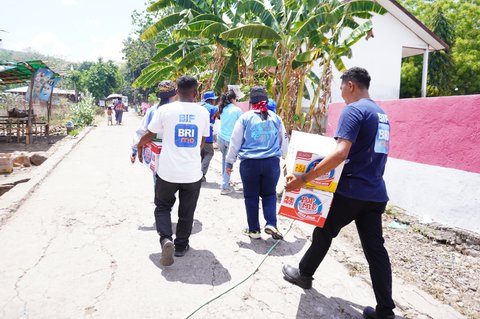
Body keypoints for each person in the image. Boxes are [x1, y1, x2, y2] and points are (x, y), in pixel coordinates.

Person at [282, 67, 395, 319]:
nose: (341, 92)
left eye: (342, 86)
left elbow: (341, 152)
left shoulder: (354, 110)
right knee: (376, 251)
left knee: (324, 231)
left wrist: (304, 178)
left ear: (351, 85)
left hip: (351, 190)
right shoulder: (381, 114)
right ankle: (385, 311)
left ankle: (304, 274)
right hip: (375, 192)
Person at [137, 75, 210, 267]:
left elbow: (149, 134)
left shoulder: (166, 110)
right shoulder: (203, 113)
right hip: (192, 173)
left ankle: (165, 240)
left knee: (162, 207)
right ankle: (180, 246)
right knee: (187, 211)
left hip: (167, 172)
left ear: (176, 92)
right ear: (196, 92)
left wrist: (138, 147)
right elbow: (202, 143)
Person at [225, 86, 288, 240]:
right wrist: (285, 158)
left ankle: (254, 230)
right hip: (272, 163)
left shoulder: (245, 118)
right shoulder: (275, 117)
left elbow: (235, 141)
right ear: (265, 100)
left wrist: (229, 162)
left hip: (249, 164)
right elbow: (283, 140)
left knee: (251, 196)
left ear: (251, 102)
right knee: (269, 194)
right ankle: (271, 223)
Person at [131, 80, 177, 164]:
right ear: (175, 93)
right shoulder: (179, 110)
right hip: (176, 155)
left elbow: (142, 131)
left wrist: (134, 150)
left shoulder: (153, 110)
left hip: (156, 154)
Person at [216, 89, 242, 195]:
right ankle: (225, 186)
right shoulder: (237, 110)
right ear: (232, 99)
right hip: (231, 139)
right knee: (229, 162)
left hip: (221, 138)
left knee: (224, 160)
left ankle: (225, 181)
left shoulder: (222, 108)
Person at [200, 91, 219, 182]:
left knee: (200, 154)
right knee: (209, 153)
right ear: (211, 100)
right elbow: (219, 117)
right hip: (208, 136)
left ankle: (198, 174)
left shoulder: (200, 108)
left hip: (199, 135)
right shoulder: (213, 109)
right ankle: (201, 173)